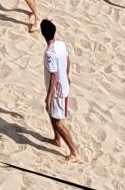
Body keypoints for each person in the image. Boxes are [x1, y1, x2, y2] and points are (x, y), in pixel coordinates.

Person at [42, 20, 82, 163]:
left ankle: (74, 152)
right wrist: (67, 76)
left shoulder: (49, 53)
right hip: (63, 85)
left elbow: (53, 76)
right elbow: (68, 61)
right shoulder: (61, 44)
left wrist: (49, 97)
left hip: (57, 91)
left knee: (58, 121)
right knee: (53, 116)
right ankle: (57, 139)